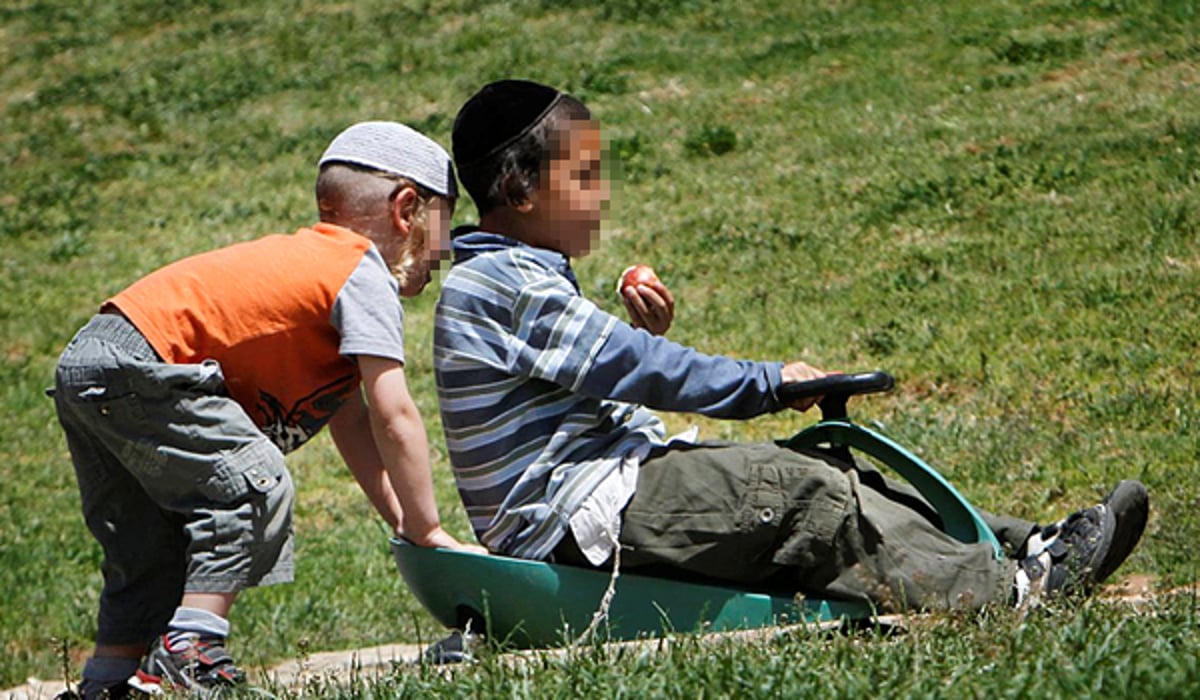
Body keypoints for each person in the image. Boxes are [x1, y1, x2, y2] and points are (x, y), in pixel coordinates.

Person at [432, 79, 1149, 623]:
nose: (603, 195)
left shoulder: (516, 274)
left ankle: (1030, 544)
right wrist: (769, 384)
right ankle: (1013, 593)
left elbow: (604, 382)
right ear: (519, 187)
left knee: (819, 466)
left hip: (602, 492)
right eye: (584, 177)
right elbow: (648, 374)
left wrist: (645, 339)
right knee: (795, 494)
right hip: (579, 519)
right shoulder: (500, 283)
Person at [53, 121, 483, 699]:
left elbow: (352, 420)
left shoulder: (315, 273)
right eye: (445, 227)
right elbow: (392, 413)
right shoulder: (359, 272)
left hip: (92, 361)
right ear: (407, 209)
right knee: (252, 485)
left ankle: (106, 681)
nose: (448, 249)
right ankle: (191, 647)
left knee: (148, 537)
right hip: (143, 361)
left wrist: (403, 523)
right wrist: (430, 528)